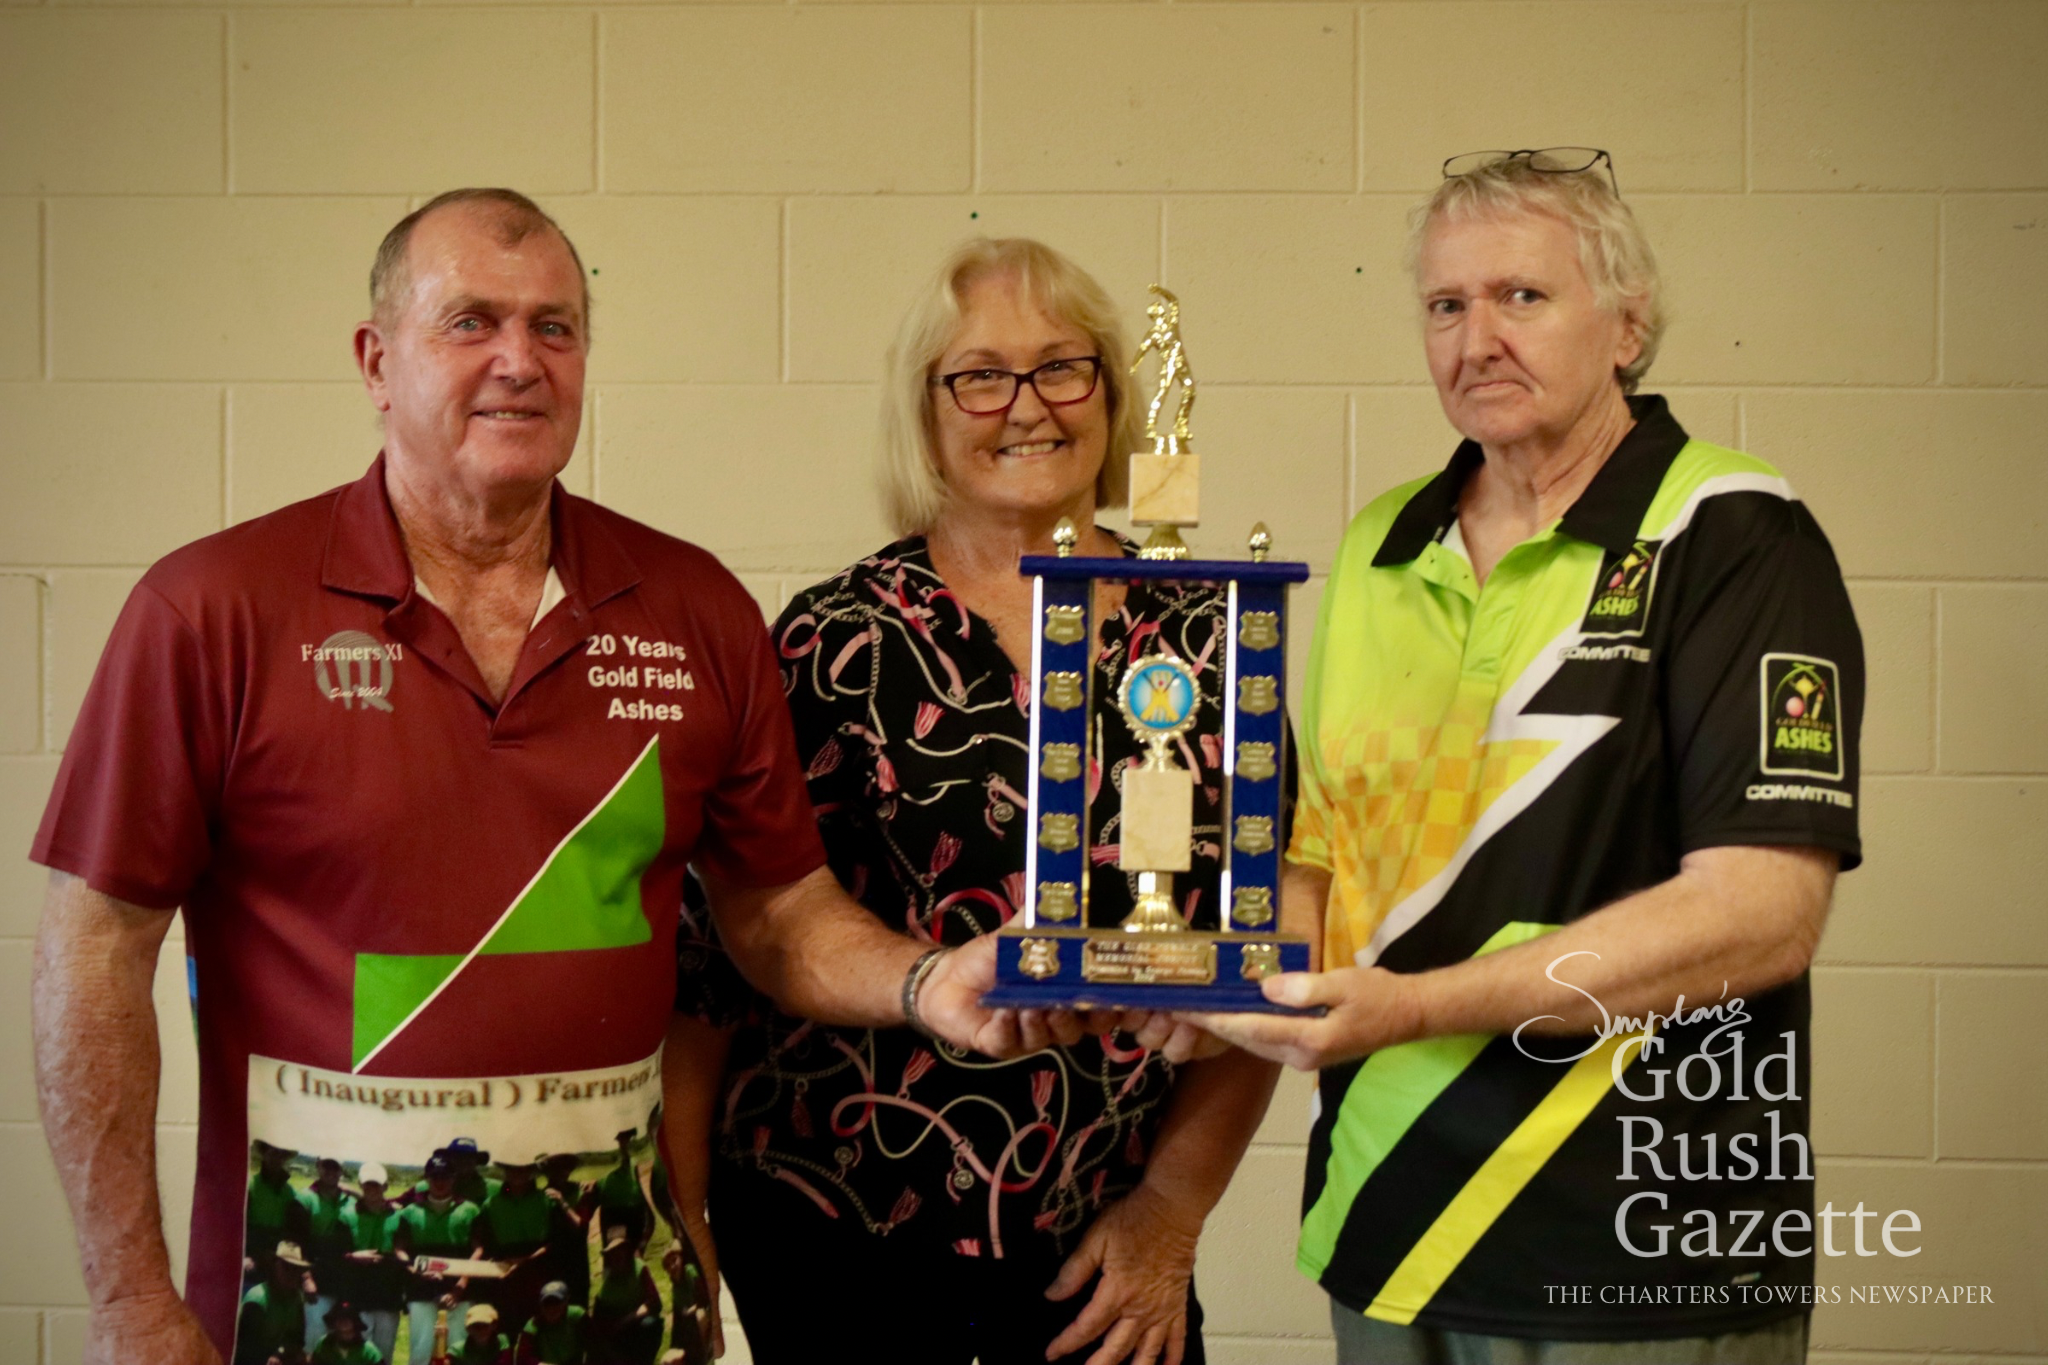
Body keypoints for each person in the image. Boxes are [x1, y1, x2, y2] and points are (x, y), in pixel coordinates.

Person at [30, 187, 1063, 1365]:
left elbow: (776, 912)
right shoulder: (210, 610)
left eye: (554, 328)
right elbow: (94, 954)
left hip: (611, 1311)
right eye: (470, 322)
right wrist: (129, 1304)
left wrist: (927, 984)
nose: (519, 361)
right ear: (376, 361)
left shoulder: (692, 609)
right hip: (301, 1310)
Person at [1187, 149, 1864, 1360]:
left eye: (1521, 297)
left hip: (1639, 1249)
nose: (1475, 338)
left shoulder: (1729, 532)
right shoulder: (1379, 543)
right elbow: (1314, 857)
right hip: (1388, 1235)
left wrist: (1410, 1011)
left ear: (1626, 322)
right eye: (1445, 306)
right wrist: (1225, 986)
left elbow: (1761, 915)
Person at [667, 237, 1278, 1365]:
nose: (1026, 406)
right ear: (927, 410)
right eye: (980, 375)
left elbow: (1264, 938)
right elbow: (715, 960)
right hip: (836, 1227)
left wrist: (1171, 1214)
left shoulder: (1208, 627)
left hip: (1103, 1239)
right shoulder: (832, 639)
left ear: (1109, 388)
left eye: (1061, 368)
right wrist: (686, 1225)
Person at [394, 1154, 482, 1363]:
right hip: (421, 1290)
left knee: (457, 1348)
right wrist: (416, 1271)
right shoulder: (410, 1212)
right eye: (435, 1177)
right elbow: (399, 1249)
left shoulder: (470, 1210)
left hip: (459, 1291)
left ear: (454, 1178)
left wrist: (461, 1285)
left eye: (445, 1177)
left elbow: (478, 1250)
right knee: (421, 1349)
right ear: (426, 1179)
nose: (440, 1182)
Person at [335, 1165, 404, 1363]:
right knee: (358, 1354)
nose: (371, 1189)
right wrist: (352, 1256)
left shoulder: (399, 1216)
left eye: (376, 1185)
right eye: (367, 1185)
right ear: (360, 1185)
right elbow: (336, 1254)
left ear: (386, 1186)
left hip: (388, 1297)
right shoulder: (347, 1215)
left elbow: (403, 1252)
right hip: (358, 1296)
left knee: (384, 1355)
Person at [477, 1160, 553, 1333]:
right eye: (512, 1168)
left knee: (536, 1327)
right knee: (504, 1326)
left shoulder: (545, 1200)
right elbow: (485, 1243)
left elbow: (554, 1241)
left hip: (537, 1272)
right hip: (504, 1274)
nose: (518, 1173)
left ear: (532, 1171)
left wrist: (524, 1261)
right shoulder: (491, 1204)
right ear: (505, 1171)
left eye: (523, 1168)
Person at [586, 1229, 664, 1365]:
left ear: (627, 1251)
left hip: (639, 1323)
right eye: (613, 1253)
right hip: (620, 1332)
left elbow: (655, 1302)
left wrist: (631, 1318)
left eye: (620, 1250)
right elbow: (598, 1320)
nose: (617, 1256)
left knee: (650, 1324)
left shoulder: (640, 1269)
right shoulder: (608, 1284)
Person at [301, 1159, 354, 1346]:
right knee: (315, 1337)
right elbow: (297, 1242)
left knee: (341, 1338)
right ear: (318, 1167)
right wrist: (306, 1278)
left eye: (335, 1167)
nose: (330, 1171)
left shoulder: (351, 1200)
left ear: (341, 1170)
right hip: (317, 1281)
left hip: (344, 1282)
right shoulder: (305, 1199)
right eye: (326, 1166)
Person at [235, 1241, 312, 1365]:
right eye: (286, 1267)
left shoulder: (297, 1298)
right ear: (274, 1266)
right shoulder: (257, 1298)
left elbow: (297, 1340)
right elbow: (246, 1346)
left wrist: (280, 1353)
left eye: (296, 1268)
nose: (291, 1273)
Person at [517, 1281, 588, 1365]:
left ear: (566, 1302)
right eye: (547, 1303)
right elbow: (523, 1359)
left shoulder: (577, 1316)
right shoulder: (533, 1325)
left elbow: (596, 1347)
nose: (551, 1308)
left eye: (556, 1302)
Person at [310, 1302, 384, 1365]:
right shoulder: (324, 1344)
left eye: (348, 1318)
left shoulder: (369, 1351)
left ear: (355, 1322)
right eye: (339, 1318)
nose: (343, 1321)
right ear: (333, 1322)